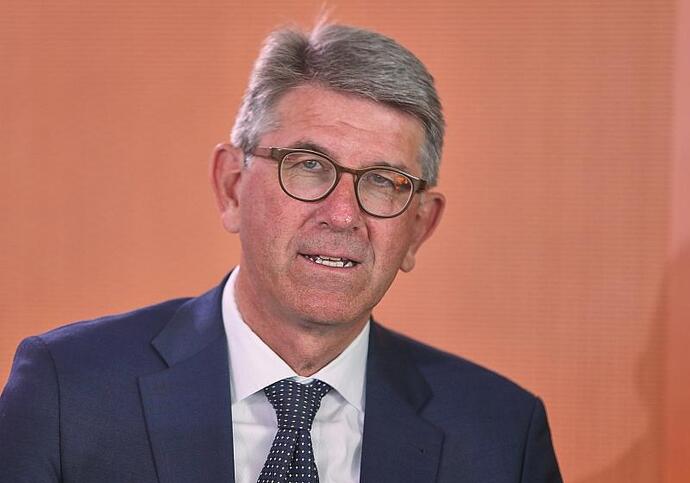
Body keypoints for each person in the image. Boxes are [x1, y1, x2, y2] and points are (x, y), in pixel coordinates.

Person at [0, 21, 562, 483]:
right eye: (309, 166)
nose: (342, 215)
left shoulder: (500, 437)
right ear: (231, 187)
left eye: (384, 181)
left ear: (419, 228)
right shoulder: (69, 391)